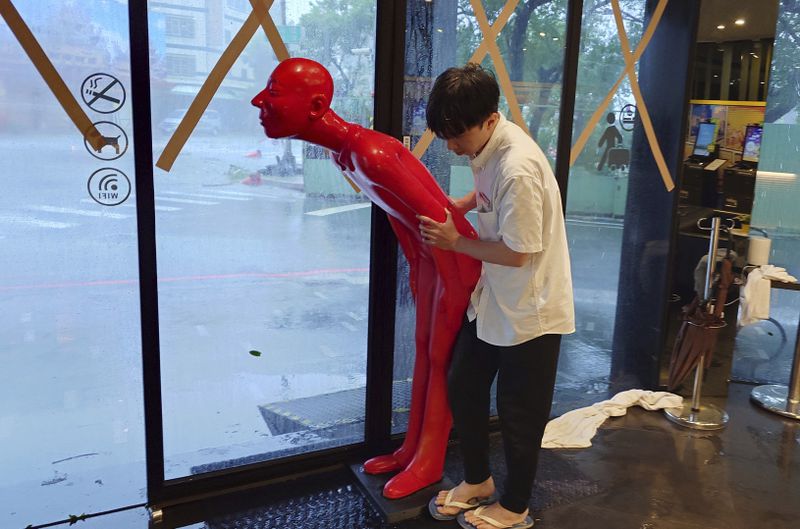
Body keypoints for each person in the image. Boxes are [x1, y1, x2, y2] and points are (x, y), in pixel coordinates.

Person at [251, 58, 482, 499]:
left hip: (455, 262)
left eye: (274, 92)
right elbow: (402, 214)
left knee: (439, 361)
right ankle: (412, 450)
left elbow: (441, 217)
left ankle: (429, 461)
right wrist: (417, 268)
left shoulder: (370, 154)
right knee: (424, 356)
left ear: (317, 105)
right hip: (434, 263)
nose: (260, 100)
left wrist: (451, 285)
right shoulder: (347, 153)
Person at [418, 64, 575, 529]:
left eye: (456, 135)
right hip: (494, 299)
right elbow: (492, 193)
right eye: (444, 134)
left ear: (490, 119)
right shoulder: (488, 145)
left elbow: (520, 253)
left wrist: (455, 241)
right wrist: (468, 203)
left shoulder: (518, 167)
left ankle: (515, 506)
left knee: (518, 414)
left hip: (533, 307)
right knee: (463, 383)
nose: (451, 145)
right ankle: (479, 481)